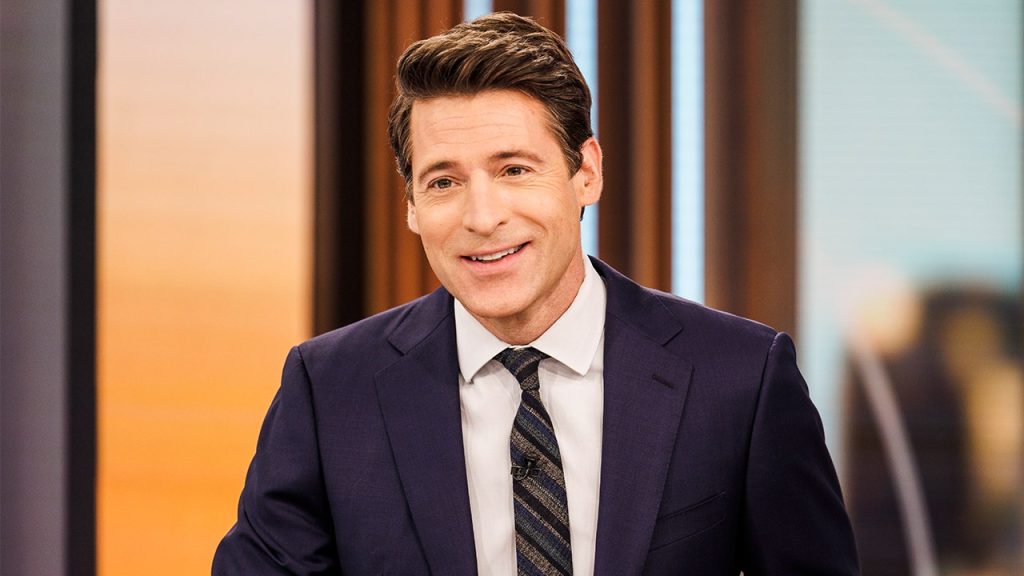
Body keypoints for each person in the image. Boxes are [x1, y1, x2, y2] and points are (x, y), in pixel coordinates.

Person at [213, 12, 858, 576]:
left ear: (586, 173)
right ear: (411, 206)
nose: (482, 216)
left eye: (514, 170)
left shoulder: (741, 379)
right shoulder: (330, 391)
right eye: (443, 182)